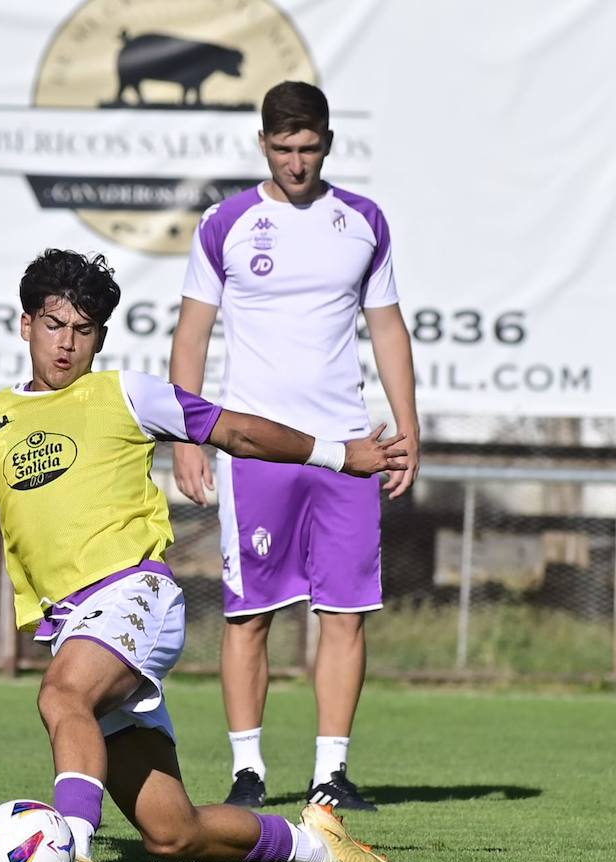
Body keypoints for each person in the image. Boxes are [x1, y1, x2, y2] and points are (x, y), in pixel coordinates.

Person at [0, 249, 405, 862]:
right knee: (173, 833)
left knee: (62, 694)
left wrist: (341, 454)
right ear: (25, 324)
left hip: (133, 599)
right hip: (75, 624)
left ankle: (69, 844)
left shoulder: (125, 393)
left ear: (101, 337)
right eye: (54, 325)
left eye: (83, 330)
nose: (66, 344)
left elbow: (237, 433)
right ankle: (315, 843)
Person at [168, 81, 420, 812]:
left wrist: (408, 427)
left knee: (344, 611)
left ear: (329, 144)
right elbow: (191, 334)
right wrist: (189, 435)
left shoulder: (363, 222)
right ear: (263, 144)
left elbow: (388, 328)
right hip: (255, 450)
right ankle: (248, 771)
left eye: (309, 147)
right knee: (250, 613)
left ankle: (331, 775)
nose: (297, 161)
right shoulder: (227, 223)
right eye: (284, 147)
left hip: (349, 449)